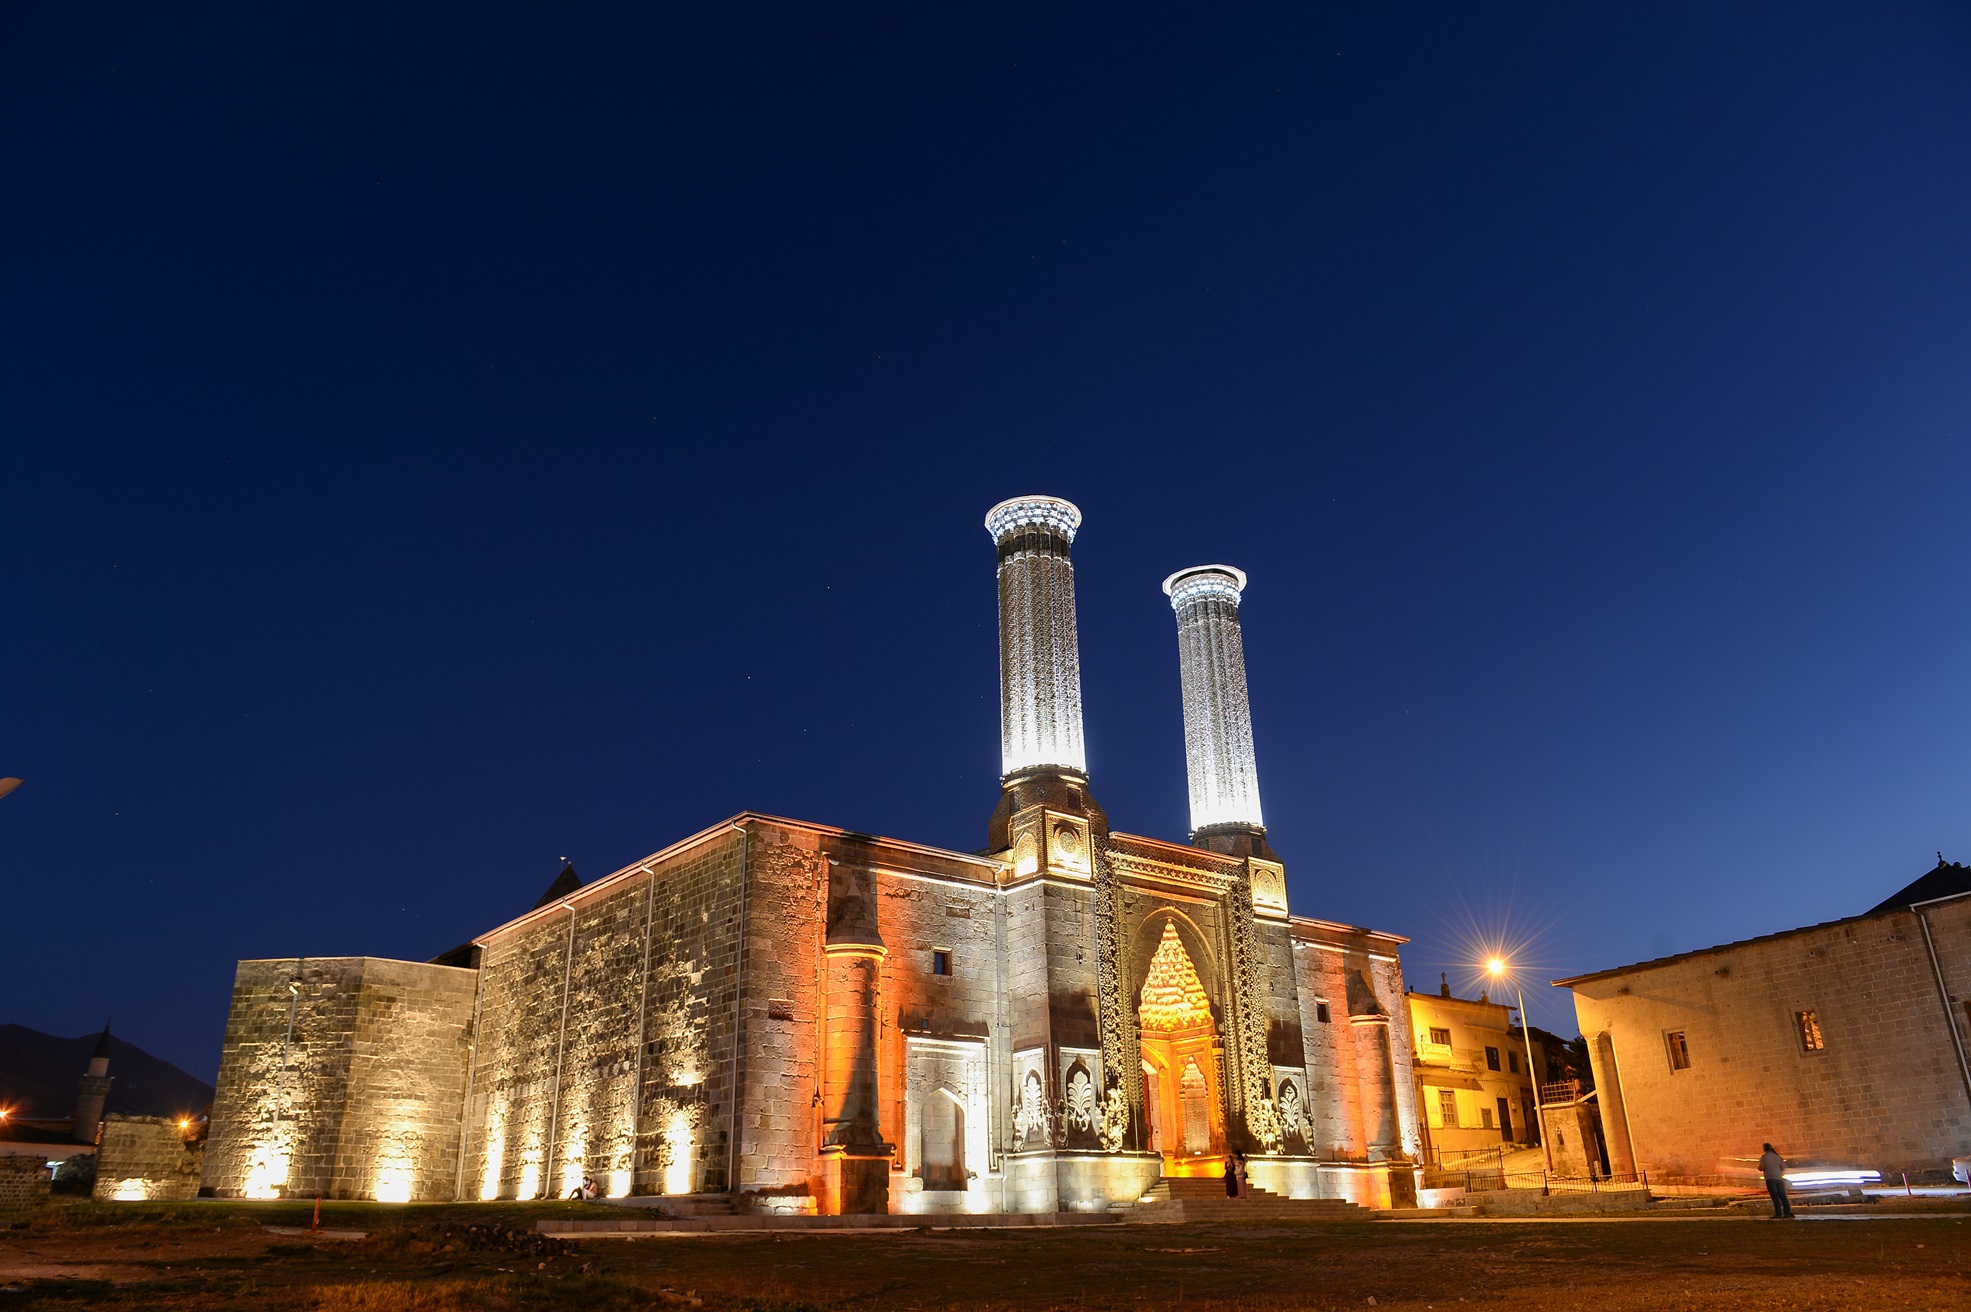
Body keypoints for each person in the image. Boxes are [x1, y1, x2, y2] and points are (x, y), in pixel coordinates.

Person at [1759, 1143, 1792, 1218]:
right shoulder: (1777, 1157)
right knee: (1783, 1196)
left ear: (1764, 1149)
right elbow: (1783, 1167)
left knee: (1775, 1197)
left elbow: (1761, 1167)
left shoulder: (1764, 1157)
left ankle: (1778, 1214)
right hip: (1779, 1179)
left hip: (1770, 1178)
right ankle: (1787, 1213)